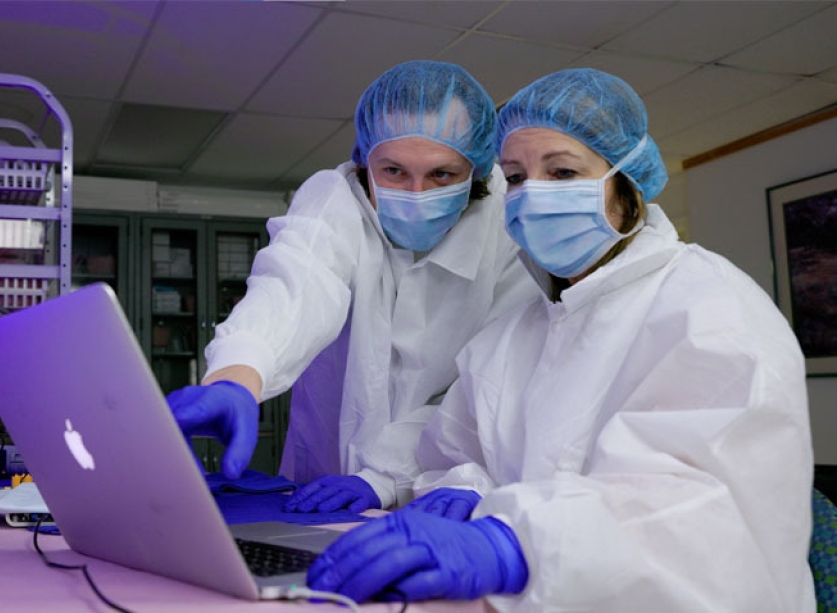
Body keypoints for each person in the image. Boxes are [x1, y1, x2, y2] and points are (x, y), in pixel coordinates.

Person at [306, 68, 816, 611]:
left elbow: (703, 513)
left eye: (564, 171)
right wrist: (460, 485)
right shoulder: (512, 335)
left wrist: (516, 543)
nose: (535, 197)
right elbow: (456, 453)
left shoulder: (710, 309)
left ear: (628, 182)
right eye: (517, 178)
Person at [166, 60, 540, 512]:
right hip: (319, 483)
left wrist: (386, 478)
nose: (417, 193)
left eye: (442, 175)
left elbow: (482, 384)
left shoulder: (509, 229)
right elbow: (297, 284)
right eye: (394, 171)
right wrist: (237, 376)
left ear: (478, 171)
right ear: (364, 162)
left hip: (440, 486)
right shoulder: (335, 196)